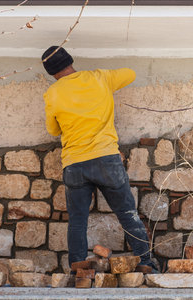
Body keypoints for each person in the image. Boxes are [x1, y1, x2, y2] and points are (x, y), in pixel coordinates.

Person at [41, 46, 155, 274]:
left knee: (77, 220)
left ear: (51, 73)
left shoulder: (52, 93)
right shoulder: (100, 77)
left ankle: (77, 269)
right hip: (106, 159)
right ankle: (144, 262)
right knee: (127, 213)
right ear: (71, 60)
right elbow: (130, 74)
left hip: (74, 164)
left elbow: (53, 129)